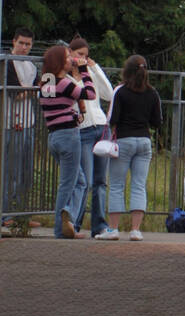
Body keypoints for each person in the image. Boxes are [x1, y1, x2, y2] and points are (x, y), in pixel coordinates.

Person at [98, 54, 162, 241]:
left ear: (126, 70)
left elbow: (112, 119)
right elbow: (157, 121)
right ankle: (135, 230)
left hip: (123, 141)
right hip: (144, 141)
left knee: (117, 185)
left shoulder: (121, 91)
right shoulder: (152, 93)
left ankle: (113, 229)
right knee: (138, 185)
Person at [36, 43, 96, 238]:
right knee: (69, 184)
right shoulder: (64, 82)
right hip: (69, 137)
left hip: (53, 136)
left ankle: (67, 222)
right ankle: (63, 222)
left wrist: (72, 114)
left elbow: (55, 107)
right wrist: (84, 69)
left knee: (79, 181)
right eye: (67, 57)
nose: (72, 60)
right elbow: (90, 94)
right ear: (59, 62)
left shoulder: (46, 81)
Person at [67, 37, 113, 237]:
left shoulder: (89, 73)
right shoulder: (64, 76)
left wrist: (95, 69)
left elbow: (109, 94)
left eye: (85, 55)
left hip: (100, 127)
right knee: (84, 180)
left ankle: (99, 225)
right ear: (70, 54)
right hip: (83, 130)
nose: (82, 58)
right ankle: (75, 223)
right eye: (79, 54)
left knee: (101, 181)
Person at [3, 28, 38, 226]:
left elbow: (44, 89)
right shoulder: (6, 62)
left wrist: (30, 90)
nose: (24, 47)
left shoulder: (32, 65)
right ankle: (6, 214)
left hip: (29, 121)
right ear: (14, 42)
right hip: (11, 122)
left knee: (26, 170)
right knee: (10, 171)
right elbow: (15, 93)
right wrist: (32, 90)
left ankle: (22, 215)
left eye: (28, 44)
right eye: (21, 43)